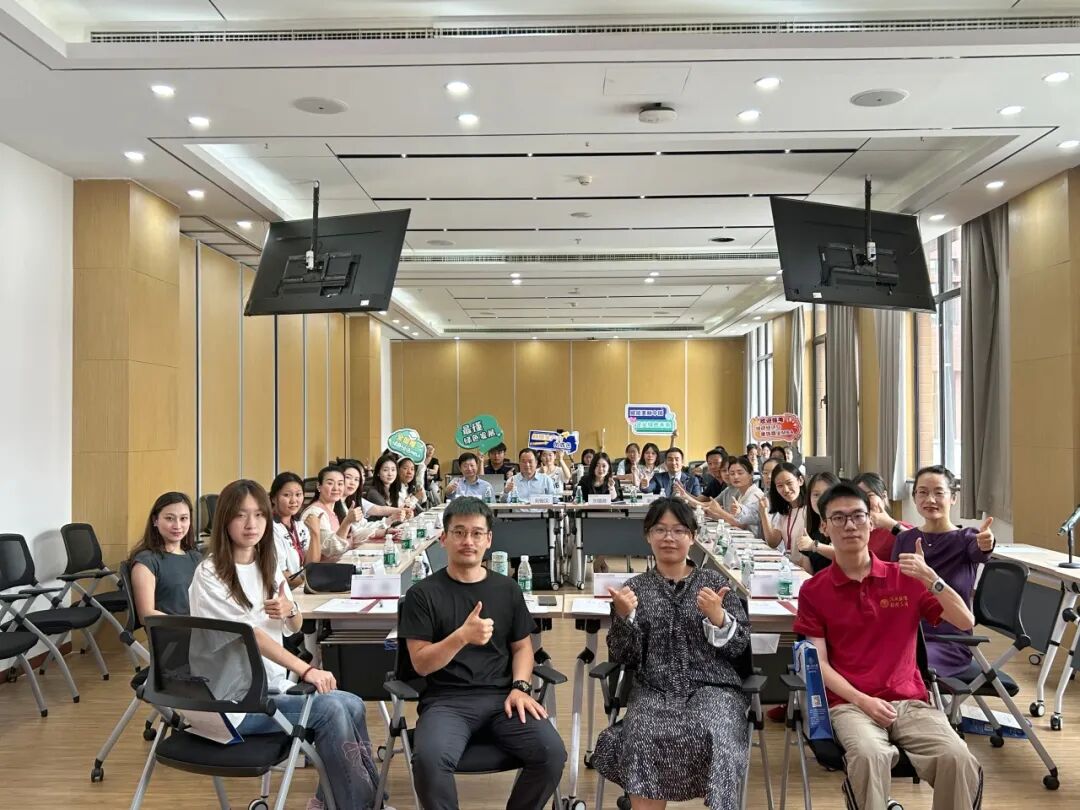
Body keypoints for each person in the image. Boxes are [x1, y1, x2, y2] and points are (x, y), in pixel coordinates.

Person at [188, 479, 380, 810]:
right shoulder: (209, 574)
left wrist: (289, 609)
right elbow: (251, 635)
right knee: (331, 709)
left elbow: (296, 626)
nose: (251, 524)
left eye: (259, 515)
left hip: (271, 687)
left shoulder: (267, 564)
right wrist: (307, 670)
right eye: (240, 515)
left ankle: (333, 801)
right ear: (224, 521)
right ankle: (354, 805)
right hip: (232, 701)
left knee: (353, 703)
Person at [793, 482, 982, 810]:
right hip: (850, 704)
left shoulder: (906, 577)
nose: (850, 525)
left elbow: (965, 621)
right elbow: (819, 664)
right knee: (870, 755)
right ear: (824, 527)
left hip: (909, 702)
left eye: (858, 516)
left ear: (871, 521)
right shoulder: (814, 590)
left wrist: (931, 579)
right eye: (838, 518)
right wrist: (863, 700)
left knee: (958, 758)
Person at [398, 497, 567, 809]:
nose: (468, 541)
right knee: (429, 761)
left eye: (477, 533)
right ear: (443, 538)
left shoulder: (507, 589)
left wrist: (520, 687)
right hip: (446, 701)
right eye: (459, 532)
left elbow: (523, 647)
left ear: (489, 540)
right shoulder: (422, 594)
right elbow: (421, 664)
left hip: (503, 699)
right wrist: (461, 637)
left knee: (551, 753)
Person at [592, 498, 751, 810]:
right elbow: (623, 655)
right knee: (641, 736)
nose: (669, 538)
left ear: (693, 537)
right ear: (648, 536)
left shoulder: (714, 584)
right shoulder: (634, 589)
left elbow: (739, 646)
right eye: (660, 530)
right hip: (655, 689)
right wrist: (624, 618)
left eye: (679, 531)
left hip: (713, 688)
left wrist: (719, 618)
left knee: (718, 732)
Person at [892, 465, 996, 679]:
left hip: (950, 641)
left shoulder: (967, 538)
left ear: (953, 498)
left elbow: (980, 550)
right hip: (906, 634)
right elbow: (892, 586)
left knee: (903, 663)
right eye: (923, 492)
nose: (930, 499)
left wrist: (987, 543)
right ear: (914, 498)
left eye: (939, 492)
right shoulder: (904, 539)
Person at [130, 492, 202, 621]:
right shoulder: (147, 561)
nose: (177, 526)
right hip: (173, 629)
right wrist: (193, 625)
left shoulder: (196, 557)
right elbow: (146, 614)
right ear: (155, 520)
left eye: (183, 518)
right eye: (169, 518)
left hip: (201, 628)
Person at [301, 466, 365, 562]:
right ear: (319, 486)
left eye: (340, 484)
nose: (336, 488)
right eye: (330, 483)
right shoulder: (315, 512)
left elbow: (353, 535)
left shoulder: (335, 510)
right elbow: (331, 549)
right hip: (323, 569)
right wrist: (347, 521)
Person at [758, 462, 810, 572]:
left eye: (789, 483)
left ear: (800, 481)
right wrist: (763, 512)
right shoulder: (785, 512)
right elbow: (772, 542)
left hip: (805, 571)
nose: (785, 489)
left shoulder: (809, 511)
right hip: (790, 569)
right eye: (780, 486)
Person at [852, 471, 912, 561]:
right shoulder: (851, 529)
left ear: (884, 496)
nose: (863, 501)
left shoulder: (901, 528)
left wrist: (889, 524)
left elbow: (923, 547)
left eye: (869, 495)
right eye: (858, 497)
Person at [705, 456, 765, 538]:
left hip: (753, 541)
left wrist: (719, 511)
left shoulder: (755, 495)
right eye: (732, 474)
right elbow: (733, 519)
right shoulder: (741, 494)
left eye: (740, 473)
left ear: (751, 474)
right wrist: (714, 515)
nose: (735, 477)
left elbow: (740, 524)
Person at [796, 471, 841, 574]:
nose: (822, 499)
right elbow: (807, 571)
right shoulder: (812, 529)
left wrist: (814, 545)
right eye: (816, 494)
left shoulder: (844, 525)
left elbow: (847, 557)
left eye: (827, 493)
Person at [269, 472, 312, 576]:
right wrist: (306, 581)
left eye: (298, 494)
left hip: (300, 583)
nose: (294, 500)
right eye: (287, 495)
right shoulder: (270, 527)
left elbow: (311, 564)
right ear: (274, 498)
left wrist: (315, 534)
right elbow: (281, 574)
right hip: (283, 585)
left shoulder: (299, 525)